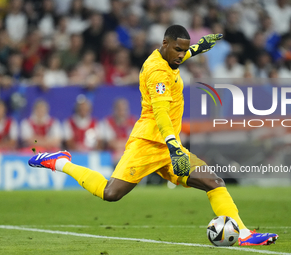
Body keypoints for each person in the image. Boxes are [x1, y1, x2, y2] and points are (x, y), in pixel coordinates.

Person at [28, 25, 278, 246]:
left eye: (184, 50)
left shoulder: (171, 57)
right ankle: (60, 162)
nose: (182, 55)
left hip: (169, 146)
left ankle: (243, 233)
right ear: (165, 44)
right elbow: (160, 113)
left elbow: (182, 55)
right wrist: (174, 145)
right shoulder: (157, 73)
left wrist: (199, 48)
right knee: (110, 193)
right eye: (178, 49)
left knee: (214, 182)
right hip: (149, 142)